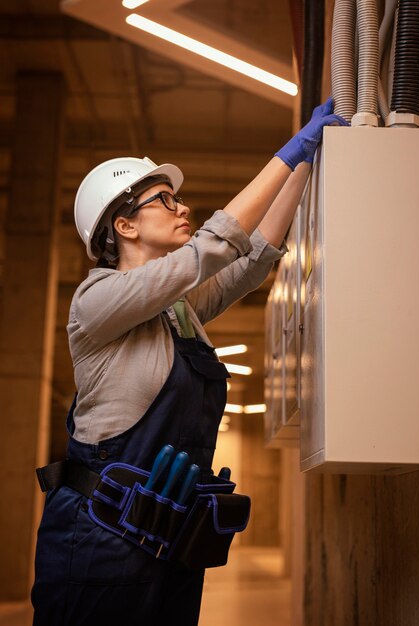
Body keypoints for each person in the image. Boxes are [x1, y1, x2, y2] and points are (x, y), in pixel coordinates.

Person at [31, 97, 347, 626]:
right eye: (163, 200)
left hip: (170, 542)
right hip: (98, 543)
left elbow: (252, 260)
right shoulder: (95, 302)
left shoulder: (177, 310)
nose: (182, 208)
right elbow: (213, 249)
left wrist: (306, 159)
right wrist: (287, 150)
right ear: (125, 227)